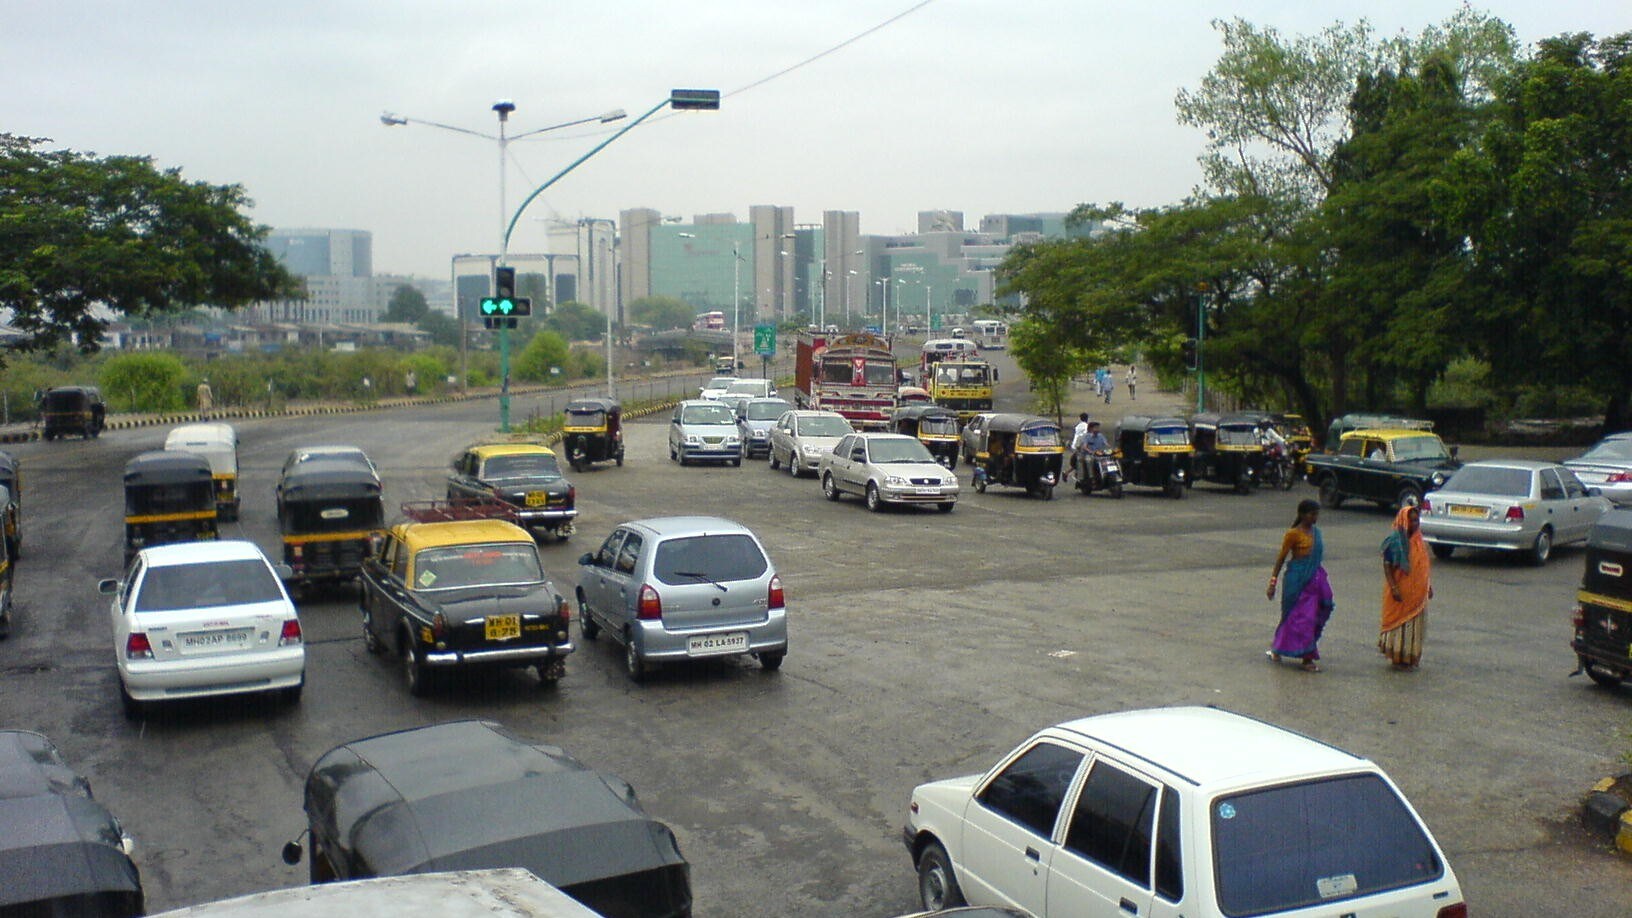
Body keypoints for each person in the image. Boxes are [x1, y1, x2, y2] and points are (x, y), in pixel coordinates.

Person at [1266, 499, 1334, 672]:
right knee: (1296, 617)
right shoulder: (1293, 534)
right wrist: (1273, 582)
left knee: (1316, 614)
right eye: (1312, 514)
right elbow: (1281, 558)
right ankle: (1304, 657)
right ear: (1302, 515)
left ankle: (1298, 651)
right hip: (1296, 581)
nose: (1315, 518)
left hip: (1314, 581)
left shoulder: (1316, 533)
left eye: (1317, 514)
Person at [1379, 504, 1433, 669]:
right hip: (1400, 590)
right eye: (1411, 521)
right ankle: (1397, 656)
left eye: (1417, 521)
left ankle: (1409, 657)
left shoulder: (1419, 541)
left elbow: (1422, 567)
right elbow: (1387, 566)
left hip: (1417, 593)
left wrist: (1428, 586)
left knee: (1414, 625)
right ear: (1403, 521)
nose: (1414, 524)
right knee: (1398, 623)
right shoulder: (1394, 541)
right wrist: (1394, 587)